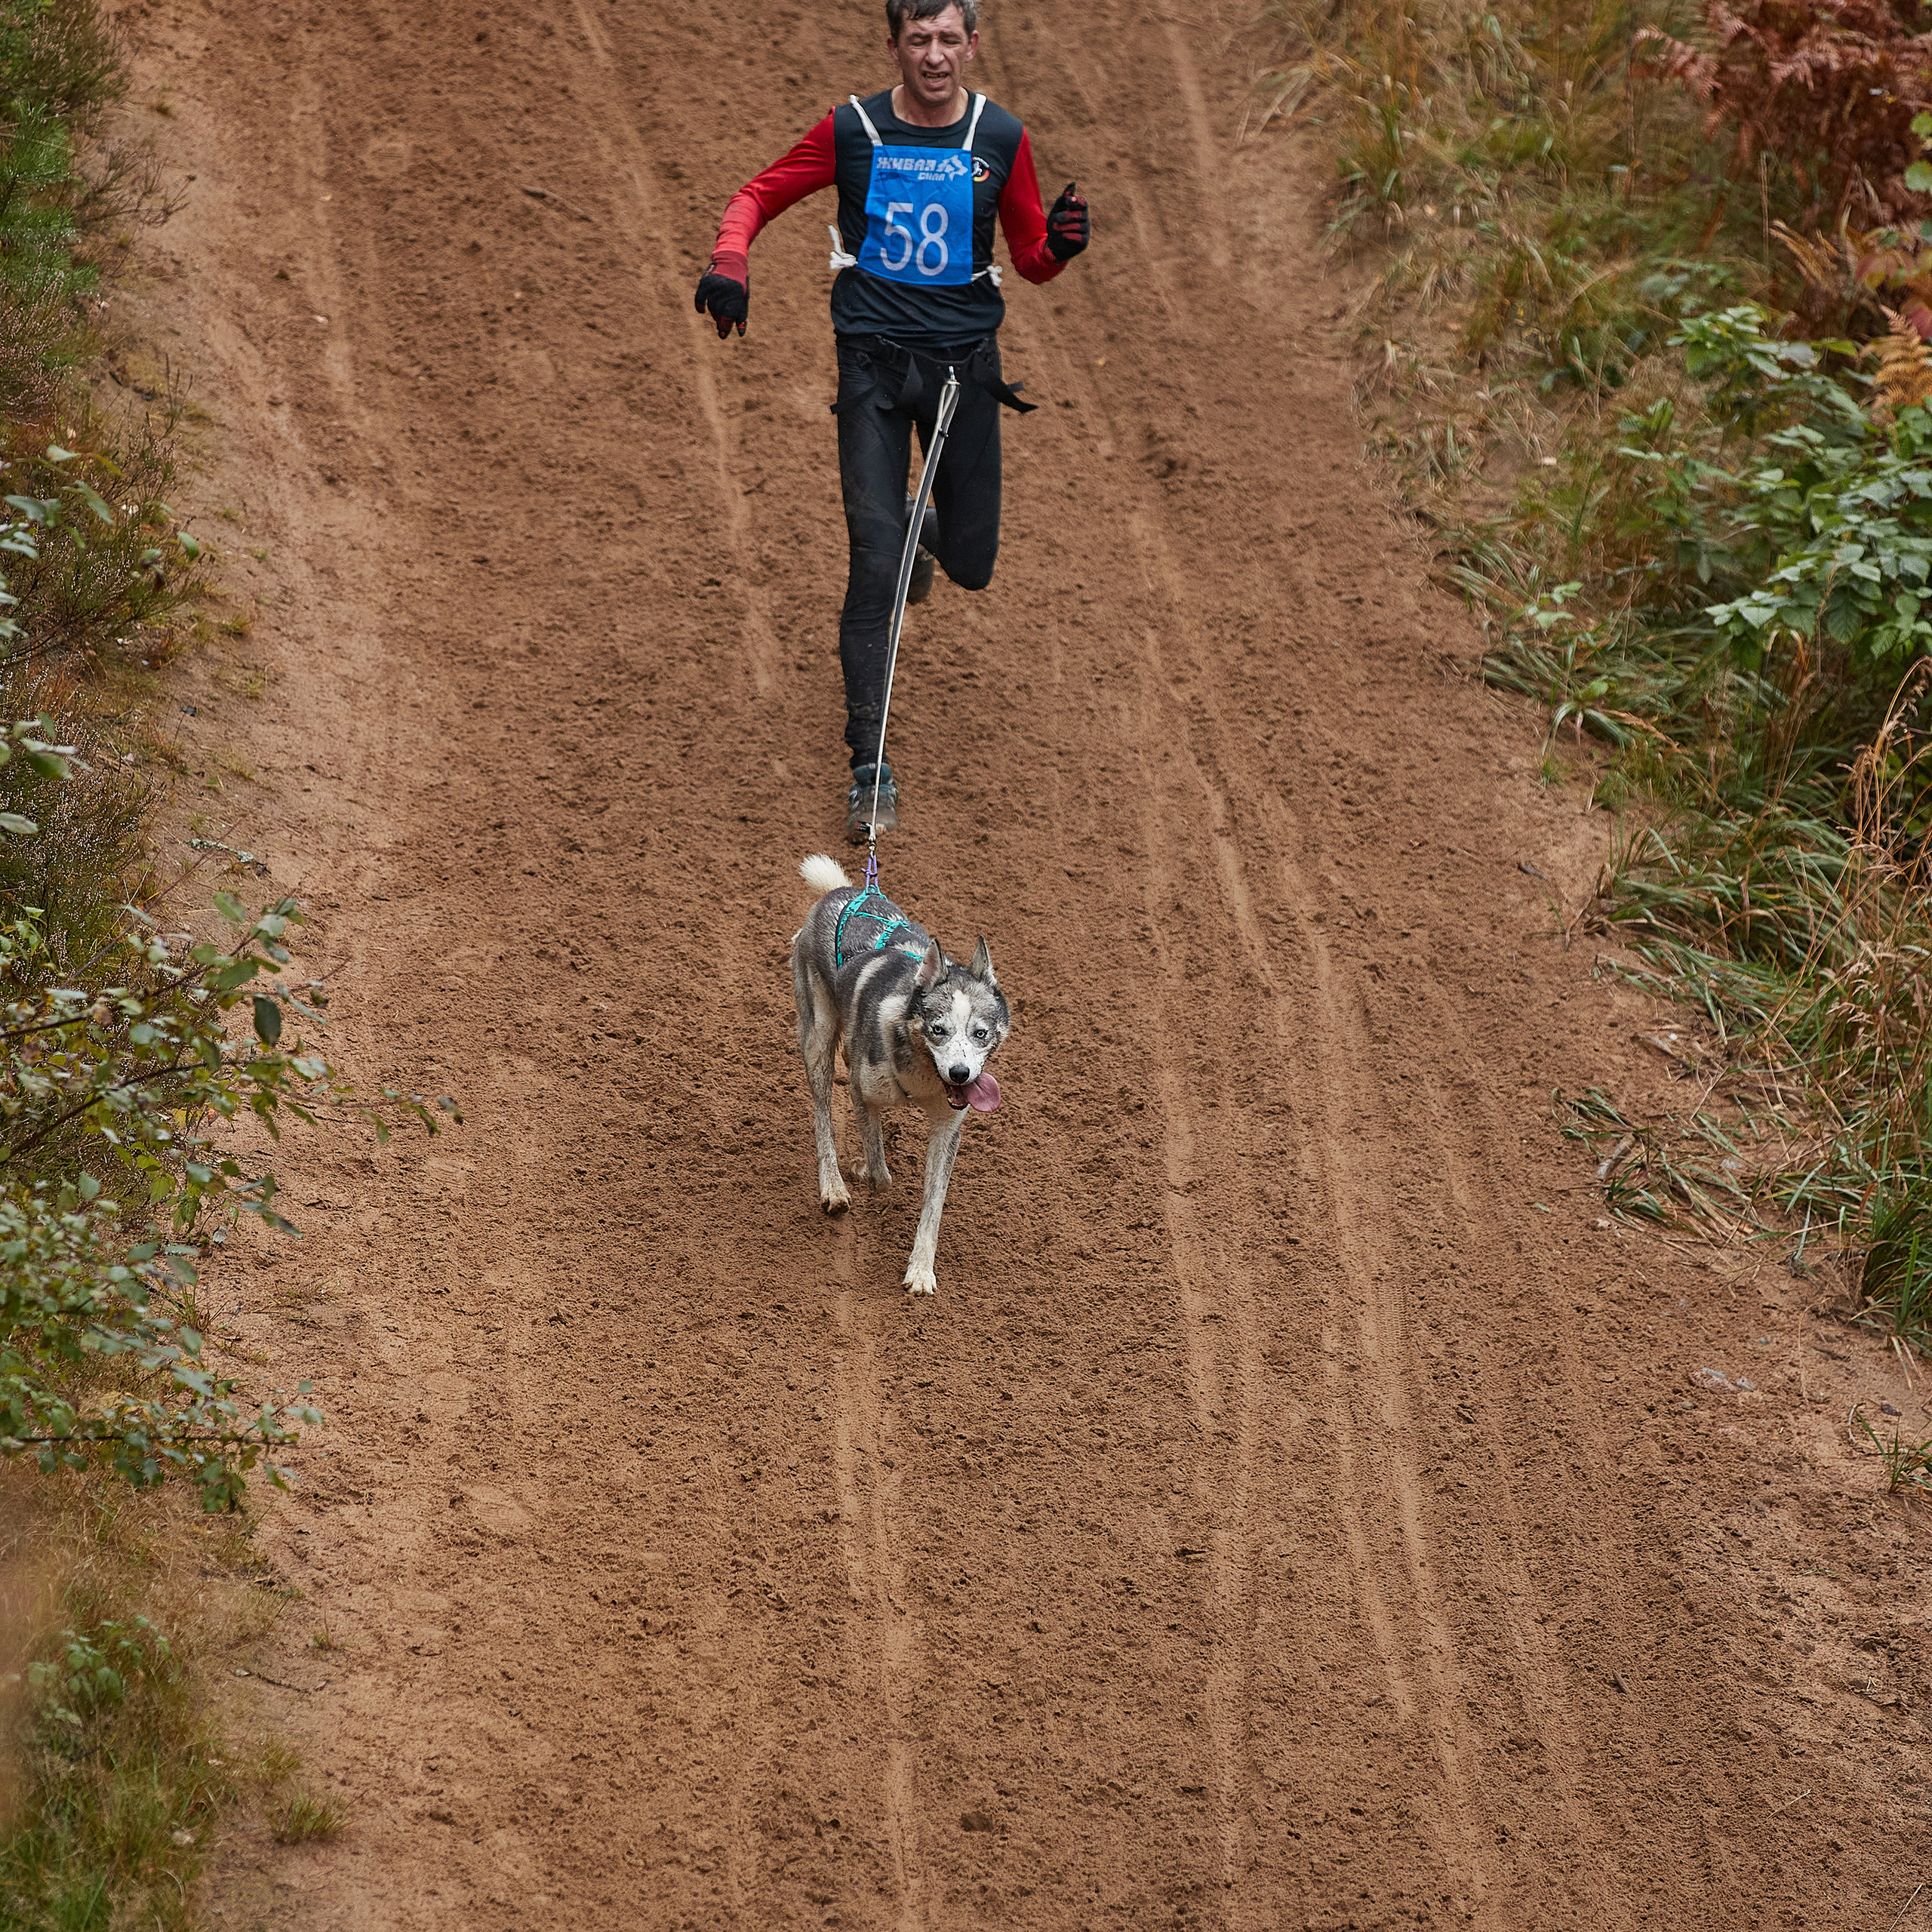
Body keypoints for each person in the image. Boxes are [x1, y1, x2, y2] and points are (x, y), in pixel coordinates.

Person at [695, 0, 1091, 842]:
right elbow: (756, 195)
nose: (935, 56)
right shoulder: (852, 131)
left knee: (975, 563)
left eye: (949, 39)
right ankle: (868, 768)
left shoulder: (999, 137)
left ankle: (925, 524)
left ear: (973, 46)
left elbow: (1027, 260)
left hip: (964, 373)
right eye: (920, 40)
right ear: (894, 47)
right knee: (874, 564)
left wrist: (1058, 246)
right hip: (871, 366)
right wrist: (731, 262)